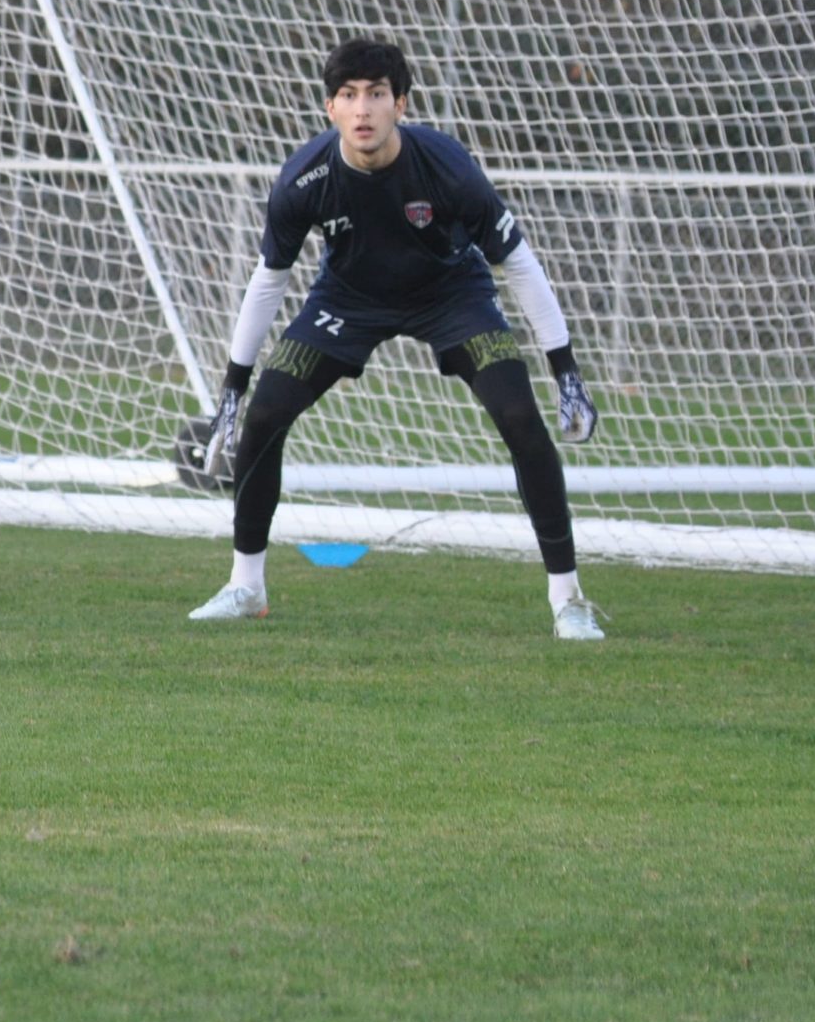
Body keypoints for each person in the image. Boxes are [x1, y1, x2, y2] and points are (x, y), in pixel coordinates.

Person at [193, 37, 605, 639]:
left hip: (452, 297)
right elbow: (268, 282)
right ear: (329, 108)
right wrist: (232, 386)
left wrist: (565, 369)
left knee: (519, 415)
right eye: (349, 96)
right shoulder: (302, 180)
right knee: (264, 417)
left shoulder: (447, 166)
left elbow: (517, 262)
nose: (363, 110)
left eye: (377, 95)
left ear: (401, 105)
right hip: (347, 301)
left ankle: (568, 600)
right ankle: (245, 587)